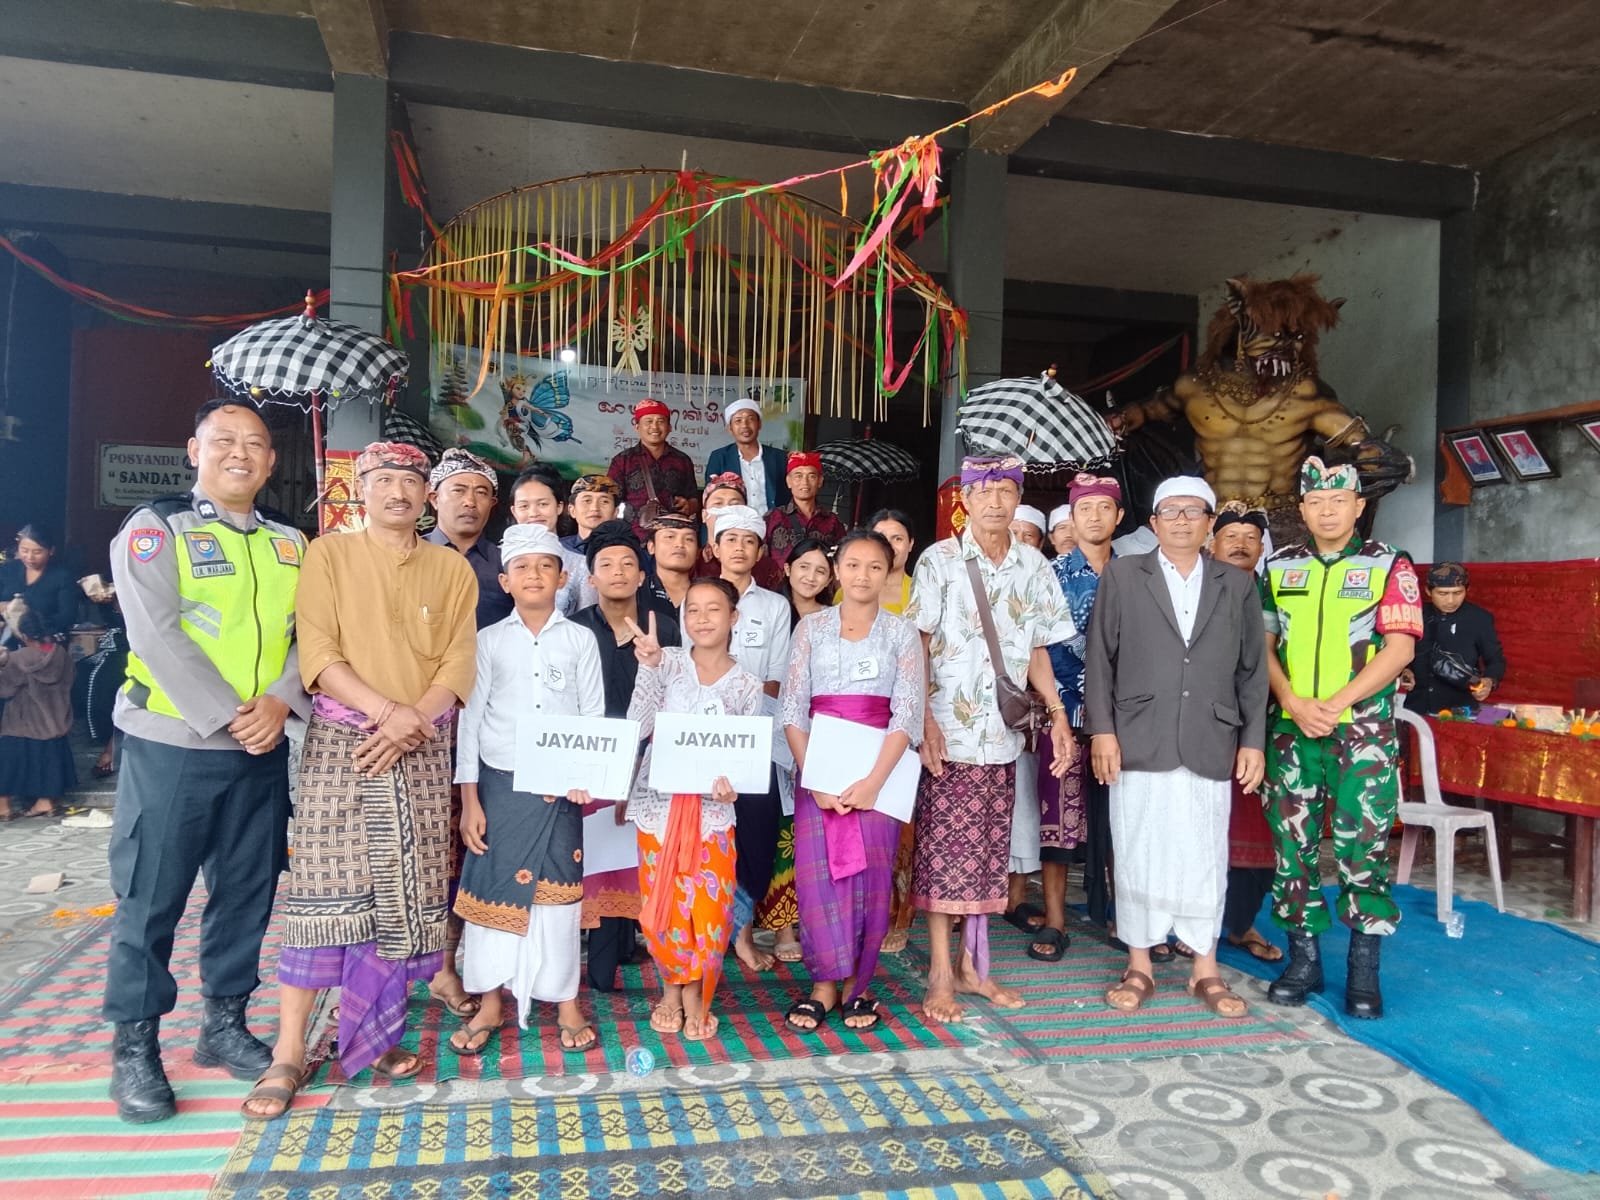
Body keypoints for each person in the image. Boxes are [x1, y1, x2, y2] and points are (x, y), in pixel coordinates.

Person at [246, 441, 477, 1119]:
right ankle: (289, 1050)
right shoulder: (328, 555)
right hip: (343, 747)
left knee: (405, 898)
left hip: (422, 748)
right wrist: (385, 713)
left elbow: (459, 661)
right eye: (384, 479)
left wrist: (412, 720)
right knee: (322, 896)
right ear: (361, 488)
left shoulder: (450, 568)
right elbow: (317, 652)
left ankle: (373, 1038)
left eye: (410, 480)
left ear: (427, 494)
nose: (398, 492)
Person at [103, 399, 308, 1125]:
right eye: (224, 441)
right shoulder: (157, 530)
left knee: (247, 892)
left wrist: (280, 702)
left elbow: (310, 635)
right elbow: (155, 634)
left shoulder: (291, 543)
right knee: (151, 896)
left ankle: (223, 1023)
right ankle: (135, 1047)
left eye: (255, 443)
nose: (240, 454)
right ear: (195, 450)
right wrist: (231, 714)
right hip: (174, 745)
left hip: (262, 748)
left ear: (272, 461)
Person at [1086, 476, 1269, 1019]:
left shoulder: (1236, 584)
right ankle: (1139, 965)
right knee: (1137, 845)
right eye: (1171, 511)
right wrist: (1102, 731)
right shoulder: (1124, 574)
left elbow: (1252, 671)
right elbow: (1100, 658)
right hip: (1138, 734)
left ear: (1210, 523)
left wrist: (1252, 741)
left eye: (1194, 511)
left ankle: (1205, 969)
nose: (1183, 520)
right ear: (1154, 522)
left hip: (1211, 735)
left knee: (1204, 851)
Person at [908, 455, 1076, 1024]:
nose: (997, 501)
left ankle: (974, 967)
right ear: (966, 499)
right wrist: (924, 721)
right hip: (949, 735)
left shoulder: (1034, 564)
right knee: (942, 855)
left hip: (1001, 736)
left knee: (986, 855)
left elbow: (1037, 650)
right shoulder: (939, 560)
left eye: (1007, 490)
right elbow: (918, 644)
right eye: (985, 491)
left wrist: (1057, 714)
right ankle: (940, 972)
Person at [1261, 456, 1422, 1020]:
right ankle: (1304, 963)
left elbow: (1401, 648)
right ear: (1302, 510)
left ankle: (1363, 972)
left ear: (1359, 507)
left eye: (1338, 501)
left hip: (1363, 732)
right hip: (1292, 731)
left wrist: (1335, 705)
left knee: (1364, 847)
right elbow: (1263, 646)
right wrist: (1291, 701)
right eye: (1316, 503)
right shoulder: (1279, 566)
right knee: (1292, 848)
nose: (1327, 511)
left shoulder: (1389, 564)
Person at [449, 523, 606, 1056]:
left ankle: (565, 1001)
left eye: (545, 565)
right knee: (491, 892)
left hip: (560, 792)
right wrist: (470, 800)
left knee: (559, 896)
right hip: (500, 785)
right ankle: (490, 1000)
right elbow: (470, 723)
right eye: (522, 567)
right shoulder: (488, 641)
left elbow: (592, 717)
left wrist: (587, 777)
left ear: (563, 578)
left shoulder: (580, 639)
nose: (534, 575)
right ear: (505, 580)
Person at [781, 529, 923, 1033]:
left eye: (875, 566)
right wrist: (815, 778)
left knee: (870, 880)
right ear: (837, 571)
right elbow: (792, 709)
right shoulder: (811, 629)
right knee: (819, 880)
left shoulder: (902, 633)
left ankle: (858, 986)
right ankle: (823, 984)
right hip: (818, 772)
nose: (863, 575)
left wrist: (874, 782)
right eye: (854, 565)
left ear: (889, 574)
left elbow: (907, 713)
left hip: (880, 775)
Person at [625, 577, 764, 1041]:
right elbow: (637, 724)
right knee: (664, 904)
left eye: (713, 609)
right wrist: (649, 668)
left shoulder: (747, 685)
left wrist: (732, 788)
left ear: (734, 617)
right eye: (693, 611)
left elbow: (744, 758)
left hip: (712, 814)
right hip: (660, 808)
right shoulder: (666, 663)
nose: (702, 619)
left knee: (709, 908)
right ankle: (672, 989)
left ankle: (697, 992)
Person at [569, 520, 682, 991]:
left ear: (641, 575)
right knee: (602, 863)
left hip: (649, 757)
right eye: (607, 564)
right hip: (593, 758)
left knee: (641, 860)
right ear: (591, 577)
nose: (618, 572)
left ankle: (644, 950)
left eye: (628, 564)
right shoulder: (575, 630)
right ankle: (601, 963)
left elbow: (676, 695)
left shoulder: (665, 626)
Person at [1028, 473, 1123, 962]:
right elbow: (1035, 646)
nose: (1094, 517)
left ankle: (1124, 916)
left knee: (1122, 817)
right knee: (1058, 818)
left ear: (1119, 516)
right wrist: (1054, 710)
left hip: (1125, 716)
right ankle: (1056, 919)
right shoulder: (1050, 574)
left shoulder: (1137, 573)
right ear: (1072, 517)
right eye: (1085, 508)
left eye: (1104, 508)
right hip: (1062, 710)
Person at [707, 505, 792, 974]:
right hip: (704, 738)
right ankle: (715, 934)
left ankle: (738, 929)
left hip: (756, 737)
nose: (739, 548)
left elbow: (776, 677)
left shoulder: (774, 606)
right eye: (730, 539)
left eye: (748, 541)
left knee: (756, 837)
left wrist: (739, 712)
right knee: (712, 835)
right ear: (714, 547)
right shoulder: (698, 598)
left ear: (760, 551)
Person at [1209, 503, 1282, 963]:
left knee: (1258, 831)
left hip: (1266, 726)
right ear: (1211, 544)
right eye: (1230, 536)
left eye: (1250, 538)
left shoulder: (1273, 593)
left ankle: (1240, 924)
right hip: (1206, 728)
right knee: (1203, 830)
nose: (1240, 544)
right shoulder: (1196, 589)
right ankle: (1194, 923)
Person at [758, 535, 835, 965]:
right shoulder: (773, 613)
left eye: (820, 570)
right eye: (803, 567)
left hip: (823, 730)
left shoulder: (834, 618)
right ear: (787, 569)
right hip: (772, 731)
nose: (810, 576)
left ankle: (816, 922)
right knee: (781, 830)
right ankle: (782, 926)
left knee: (816, 831)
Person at [0, 609, 76, 818]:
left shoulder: (18, 658)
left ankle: (3, 806)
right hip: (56, 719)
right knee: (50, 762)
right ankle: (45, 802)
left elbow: (4, 689)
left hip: (23, 722)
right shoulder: (61, 655)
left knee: (8, 762)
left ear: (24, 635)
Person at [425, 448, 513, 631]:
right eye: (458, 490)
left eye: (481, 493)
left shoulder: (507, 563)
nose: (470, 502)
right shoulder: (409, 554)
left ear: (492, 504)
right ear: (434, 499)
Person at [1405, 562, 1505, 713]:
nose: (1451, 601)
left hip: (1461, 708)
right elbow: (1396, 651)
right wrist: (1404, 671)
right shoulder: (1414, 615)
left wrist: (1489, 681)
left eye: (1458, 593)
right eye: (1442, 594)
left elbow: (1495, 660)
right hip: (1418, 706)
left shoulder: (1479, 619)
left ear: (1467, 590)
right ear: (1428, 591)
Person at [608, 398, 700, 538]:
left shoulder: (682, 460)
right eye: (648, 421)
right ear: (637, 427)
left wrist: (688, 505)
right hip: (633, 537)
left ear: (669, 427)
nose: (655, 427)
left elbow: (694, 499)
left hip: (673, 537)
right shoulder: (622, 461)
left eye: (660, 421)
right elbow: (610, 500)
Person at [510, 464, 592, 614]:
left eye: (543, 504)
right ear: (514, 511)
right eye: (524, 506)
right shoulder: (496, 559)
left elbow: (588, 619)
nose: (533, 513)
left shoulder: (580, 564)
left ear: (559, 507)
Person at [760, 451, 846, 590]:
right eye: (798, 476)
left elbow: (841, 561)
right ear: (789, 481)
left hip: (820, 593)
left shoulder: (832, 521)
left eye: (811, 476)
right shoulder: (772, 518)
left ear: (820, 481)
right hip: (779, 593)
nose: (804, 482)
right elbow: (761, 560)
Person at [703, 397, 791, 516]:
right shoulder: (719, 457)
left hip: (774, 523)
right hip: (734, 523)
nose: (745, 425)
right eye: (738, 421)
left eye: (750, 419)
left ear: (759, 424)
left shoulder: (779, 457)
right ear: (730, 428)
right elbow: (710, 496)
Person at [0, 522, 80, 642]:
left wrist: (35, 622)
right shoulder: (7, 570)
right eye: (24, 550)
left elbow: (67, 617)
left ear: (51, 551)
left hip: (44, 639)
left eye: (37, 552)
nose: (29, 557)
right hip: (7, 639)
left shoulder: (63, 577)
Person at [696, 473, 749, 579]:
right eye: (718, 504)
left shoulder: (763, 566)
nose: (726, 511)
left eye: (735, 505)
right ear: (704, 515)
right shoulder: (692, 563)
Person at [645, 512, 699, 610]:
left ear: (697, 551)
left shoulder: (708, 594)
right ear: (651, 547)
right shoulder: (637, 593)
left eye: (689, 539)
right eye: (670, 537)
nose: (680, 544)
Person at [561, 474, 621, 554]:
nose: (594, 508)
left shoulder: (627, 551)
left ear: (615, 512)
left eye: (604, 502)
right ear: (572, 510)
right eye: (587, 501)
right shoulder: (557, 549)